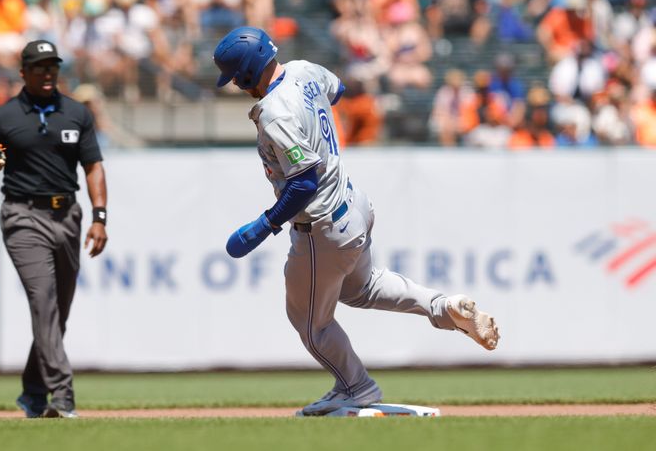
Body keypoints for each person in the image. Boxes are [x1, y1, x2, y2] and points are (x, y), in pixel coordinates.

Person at [213, 26, 500, 417]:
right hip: (354, 205)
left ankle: (356, 387)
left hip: (320, 224)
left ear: (245, 74)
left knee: (311, 324)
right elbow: (339, 90)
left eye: (235, 78)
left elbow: (303, 182)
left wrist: (265, 225)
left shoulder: (274, 113)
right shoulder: (303, 69)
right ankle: (442, 306)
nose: (236, 86)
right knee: (362, 287)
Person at [0, 40, 108, 419]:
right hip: (22, 216)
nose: (47, 73)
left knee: (57, 312)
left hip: (68, 215)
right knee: (43, 302)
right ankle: (61, 395)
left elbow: (93, 166)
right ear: (23, 73)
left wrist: (99, 217)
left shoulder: (77, 113)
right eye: (39, 67)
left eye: (52, 66)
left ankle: (32, 391)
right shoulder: (3, 117)